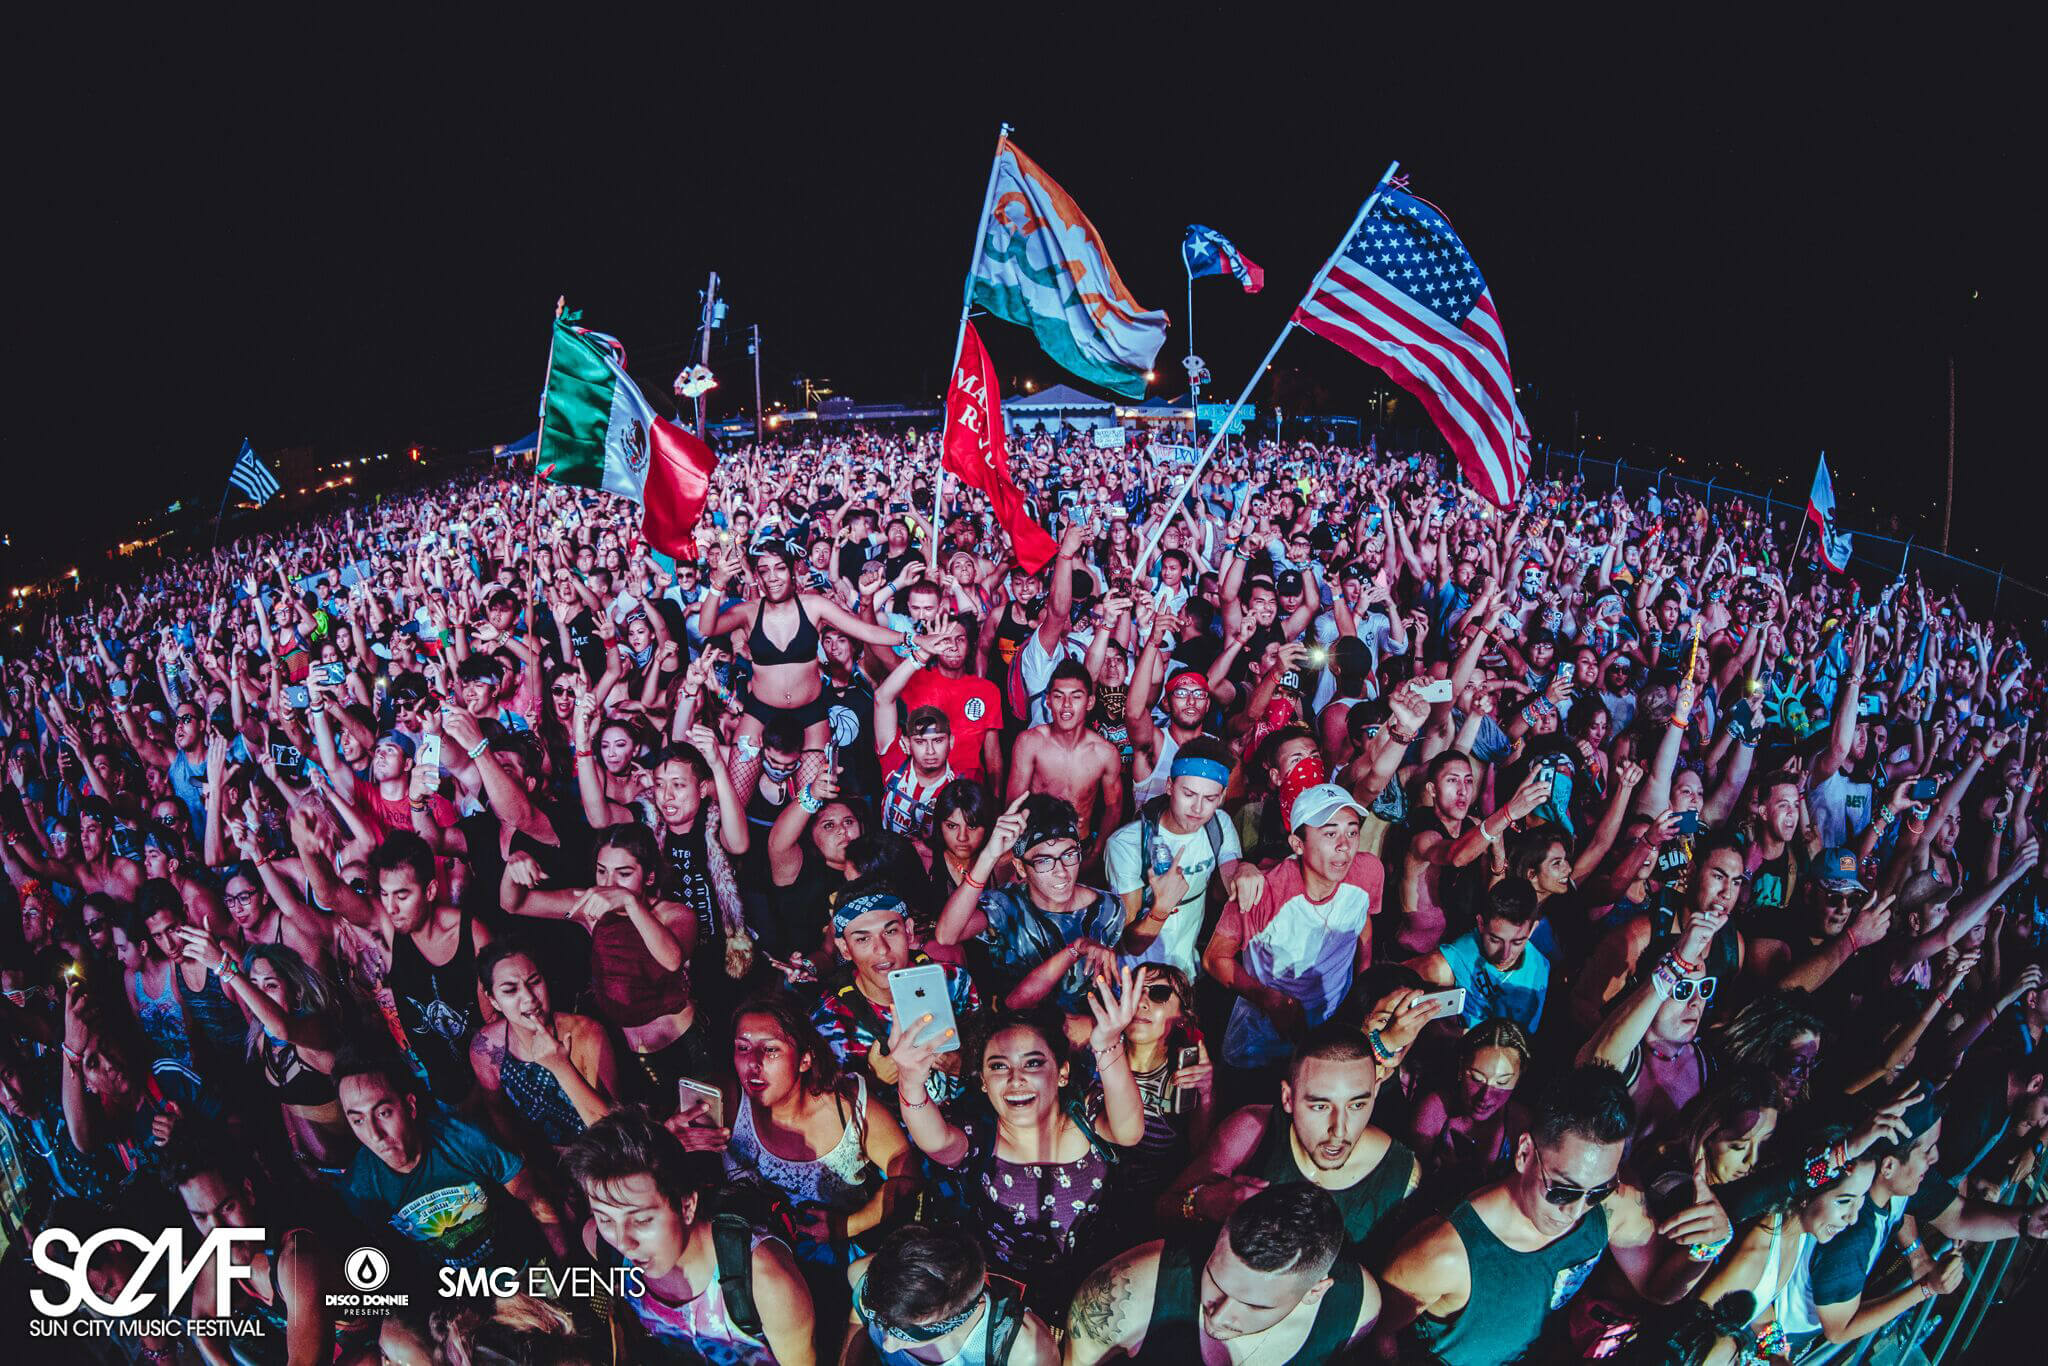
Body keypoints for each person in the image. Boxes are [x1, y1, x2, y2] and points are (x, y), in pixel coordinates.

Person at [1376, 1065, 1731, 1365]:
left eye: (1599, 1189)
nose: (1575, 1210)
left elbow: (1658, 1289)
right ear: (1525, 1153)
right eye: (1562, 1189)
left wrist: (1709, 1247)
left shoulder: (1613, 1207)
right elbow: (1376, 1337)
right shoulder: (1443, 1255)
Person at [887, 981, 1146, 1318]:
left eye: (1033, 1063)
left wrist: (1109, 1045)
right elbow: (937, 1141)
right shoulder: (979, 1137)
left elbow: (1129, 1132)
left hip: (1093, 1282)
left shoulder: (1087, 1114)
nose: (1015, 1078)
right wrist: (909, 1081)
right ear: (982, 1081)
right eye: (998, 1066)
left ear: (1063, 1072)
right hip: (1007, 1296)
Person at [565, 1104, 819, 1364]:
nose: (623, 1242)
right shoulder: (600, 1243)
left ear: (686, 1206)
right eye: (606, 1218)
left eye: (641, 1220)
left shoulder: (766, 1283)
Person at [1160, 1019, 1434, 1258]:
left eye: (1356, 1105)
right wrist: (1206, 1201)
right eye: (1320, 1106)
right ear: (1288, 1098)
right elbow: (1162, 1210)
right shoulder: (1252, 1130)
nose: (1339, 1130)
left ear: (1375, 1091)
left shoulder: (1403, 1177)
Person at [1065, 1184, 1380, 1364]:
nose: (1218, 1316)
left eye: (1255, 1305)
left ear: (1316, 1291)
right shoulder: (1124, 1291)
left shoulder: (1356, 1310)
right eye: (1215, 1280)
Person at [713, 992, 917, 1266]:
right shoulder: (726, 1098)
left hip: (833, 1264)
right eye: (743, 1048)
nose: (753, 1063)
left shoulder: (847, 1106)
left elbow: (906, 1168)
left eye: (771, 1049)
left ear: (804, 1059)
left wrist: (847, 1225)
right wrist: (677, 1143)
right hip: (749, 1261)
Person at [1203, 776, 1383, 1075]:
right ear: (1298, 844)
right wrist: (1270, 1000)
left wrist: (1362, 990)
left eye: (1352, 832)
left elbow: (1362, 920)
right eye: (1329, 834)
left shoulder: (1368, 871)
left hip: (1334, 1021)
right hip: (1265, 1035)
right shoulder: (1264, 891)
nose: (1344, 846)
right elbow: (1213, 958)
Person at [336, 1051, 572, 1267]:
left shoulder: (464, 1138)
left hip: (519, 1263)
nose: (375, 1134)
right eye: (358, 1121)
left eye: (383, 1113)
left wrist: (564, 1266)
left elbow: (534, 1199)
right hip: (453, 1295)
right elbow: (392, 1259)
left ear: (410, 1106)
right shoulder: (360, 1188)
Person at [161, 1138, 370, 1365]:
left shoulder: (296, 1257)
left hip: (379, 1349)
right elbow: (202, 1322)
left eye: (227, 1208)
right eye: (201, 1217)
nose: (218, 1229)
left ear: (248, 1192)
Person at [937, 794, 1125, 1028]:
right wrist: (989, 856)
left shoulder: (1108, 910)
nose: (1061, 872)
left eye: (1069, 855)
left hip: (1088, 1037)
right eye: (1044, 861)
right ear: (1020, 867)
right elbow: (946, 935)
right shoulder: (1006, 906)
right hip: (1021, 1039)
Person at [1104, 736, 1249, 980]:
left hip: (1185, 972)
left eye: (1210, 798)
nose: (1197, 808)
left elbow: (1231, 885)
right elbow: (1129, 943)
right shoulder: (1126, 844)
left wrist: (1246, 870)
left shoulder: (1220, 825)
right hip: (1136, 979)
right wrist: (1161, 907)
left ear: (1222, 796)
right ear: (1170, 786)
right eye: (1189, 794)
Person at [469, 938, 621, 1150]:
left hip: (600, 1158)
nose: (529, 999)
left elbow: (616, 1130)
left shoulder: (586, 1033)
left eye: (534, 982)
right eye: (510, 990)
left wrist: (561, 1066)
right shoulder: (486, 1047)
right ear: (493, 1000)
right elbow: (500, 1117)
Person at [840, 1222, 1059, 1365]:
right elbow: (859, 1317)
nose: (888, 1345)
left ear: (957, 1316)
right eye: (879, 1318)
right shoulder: (861, 1275)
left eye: (909, 1333)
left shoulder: (1024, 1353)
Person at [1407, 878, 1552, 1033]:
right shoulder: (1448, 962)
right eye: (1495, 940)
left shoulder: (1540, 966)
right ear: (1481, 923)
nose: (1505, 954)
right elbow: (1391, 979)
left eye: (1517, 942)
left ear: (1532, 930)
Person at [1406, 1017, 1534, 1189]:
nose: (1486, 1096)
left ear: (1519, 1078)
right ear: (1461, 1066)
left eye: (1502, 1083)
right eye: (1476, 1078)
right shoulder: (1435, 1109)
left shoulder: (1520, 1122)